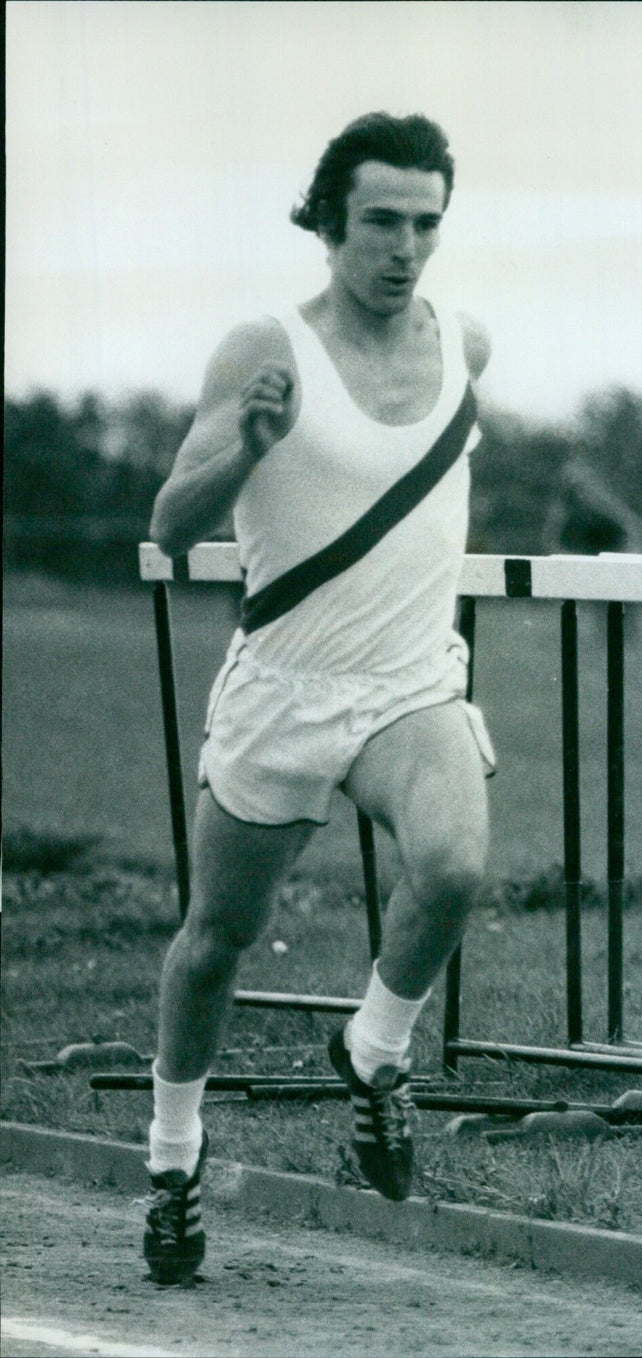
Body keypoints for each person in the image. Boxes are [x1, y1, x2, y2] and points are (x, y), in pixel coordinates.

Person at [142, 111, 497, 1285]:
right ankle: (173, 1160)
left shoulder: (466, 345)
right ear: (329, 224)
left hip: (407, 684)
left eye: (424, 224)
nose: (404, 248)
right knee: (214, 943)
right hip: (285, 691)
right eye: (381, 223)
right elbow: (171, 523)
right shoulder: (267, 346)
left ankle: (372, 1050)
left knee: (450, 864)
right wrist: (242, 444)